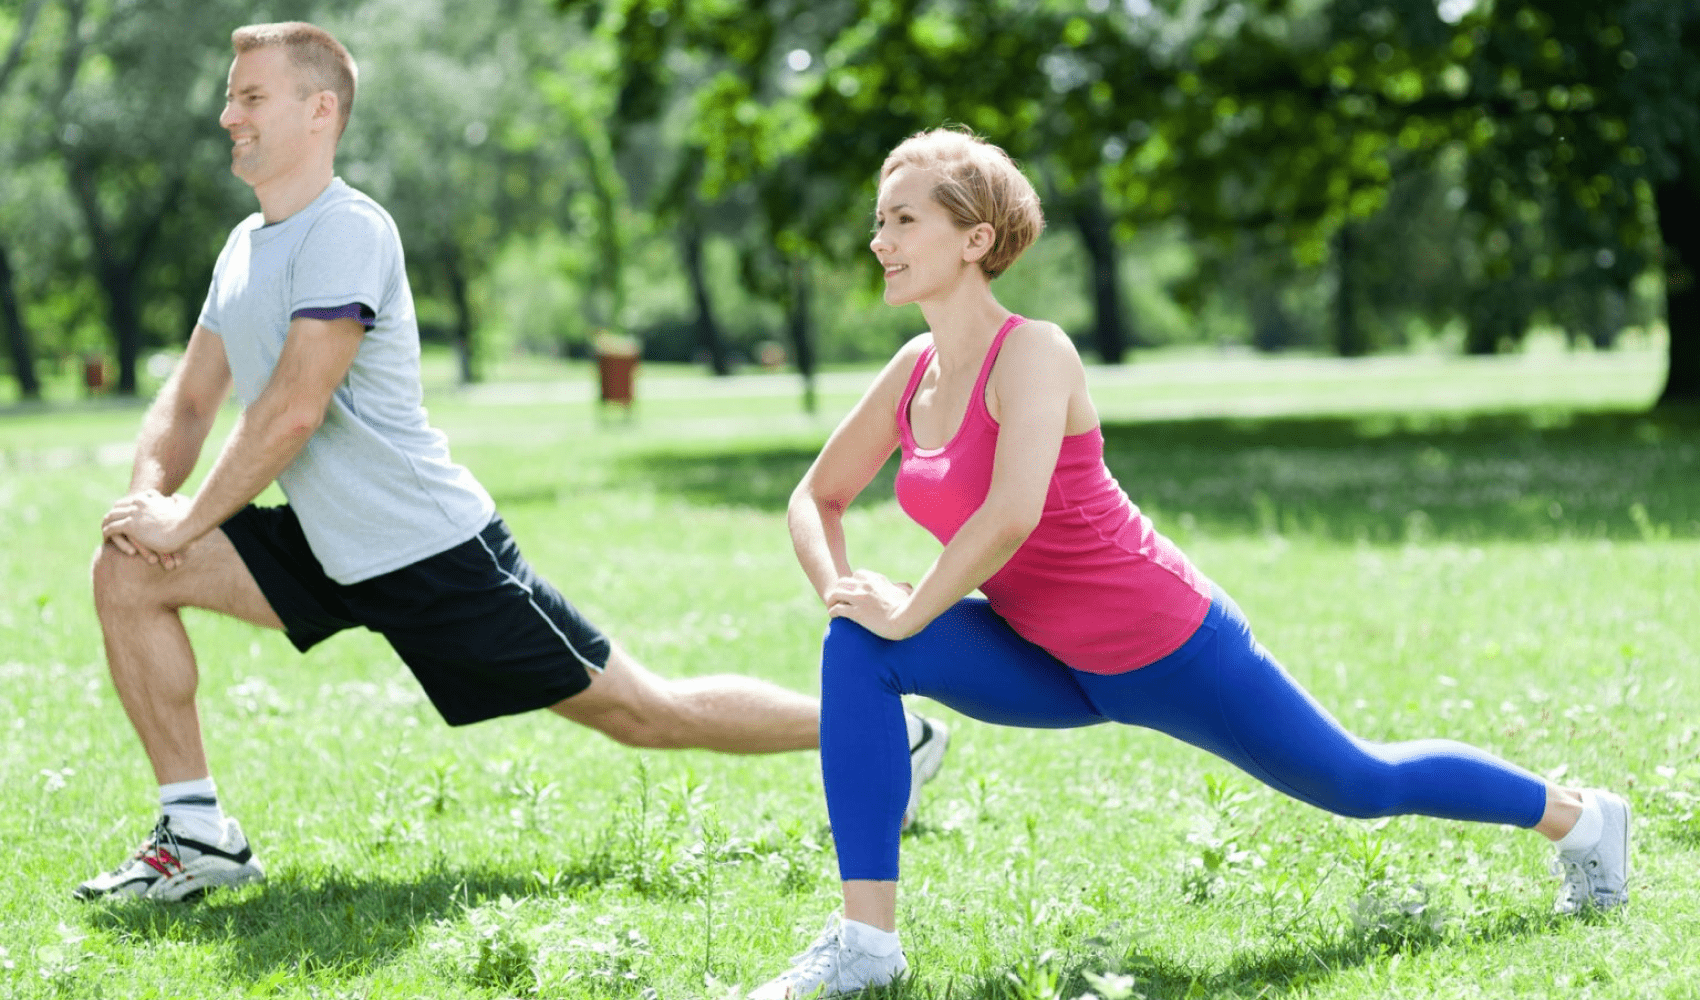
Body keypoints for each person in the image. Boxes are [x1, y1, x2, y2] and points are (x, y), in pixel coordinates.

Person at [747, 128, 1631, 999]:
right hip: (1045, 656)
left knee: (1362, 782)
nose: (879, 241)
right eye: (880, 221)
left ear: (975, 238)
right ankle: (868, 947)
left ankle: (1581, 818)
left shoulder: (1035, 351)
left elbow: (1010, 515)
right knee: (858, 647)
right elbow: (814, 498)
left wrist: (912, 609)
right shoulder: (913, 371)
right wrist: (849, 598)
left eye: (902, 221)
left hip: (1164, 644)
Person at [77, 22, 949, 903]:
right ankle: (196, 836)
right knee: (128, 572)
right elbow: (191, 400)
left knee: (646, 713)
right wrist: (144, 509)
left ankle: (891, 734)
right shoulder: (242, 248)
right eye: (231, 96)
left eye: (250, 96)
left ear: (319, 110)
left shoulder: (348, 230)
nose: (228, 113)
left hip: (429, 551)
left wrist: (186, 522)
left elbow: (292, 411)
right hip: (328, 543)